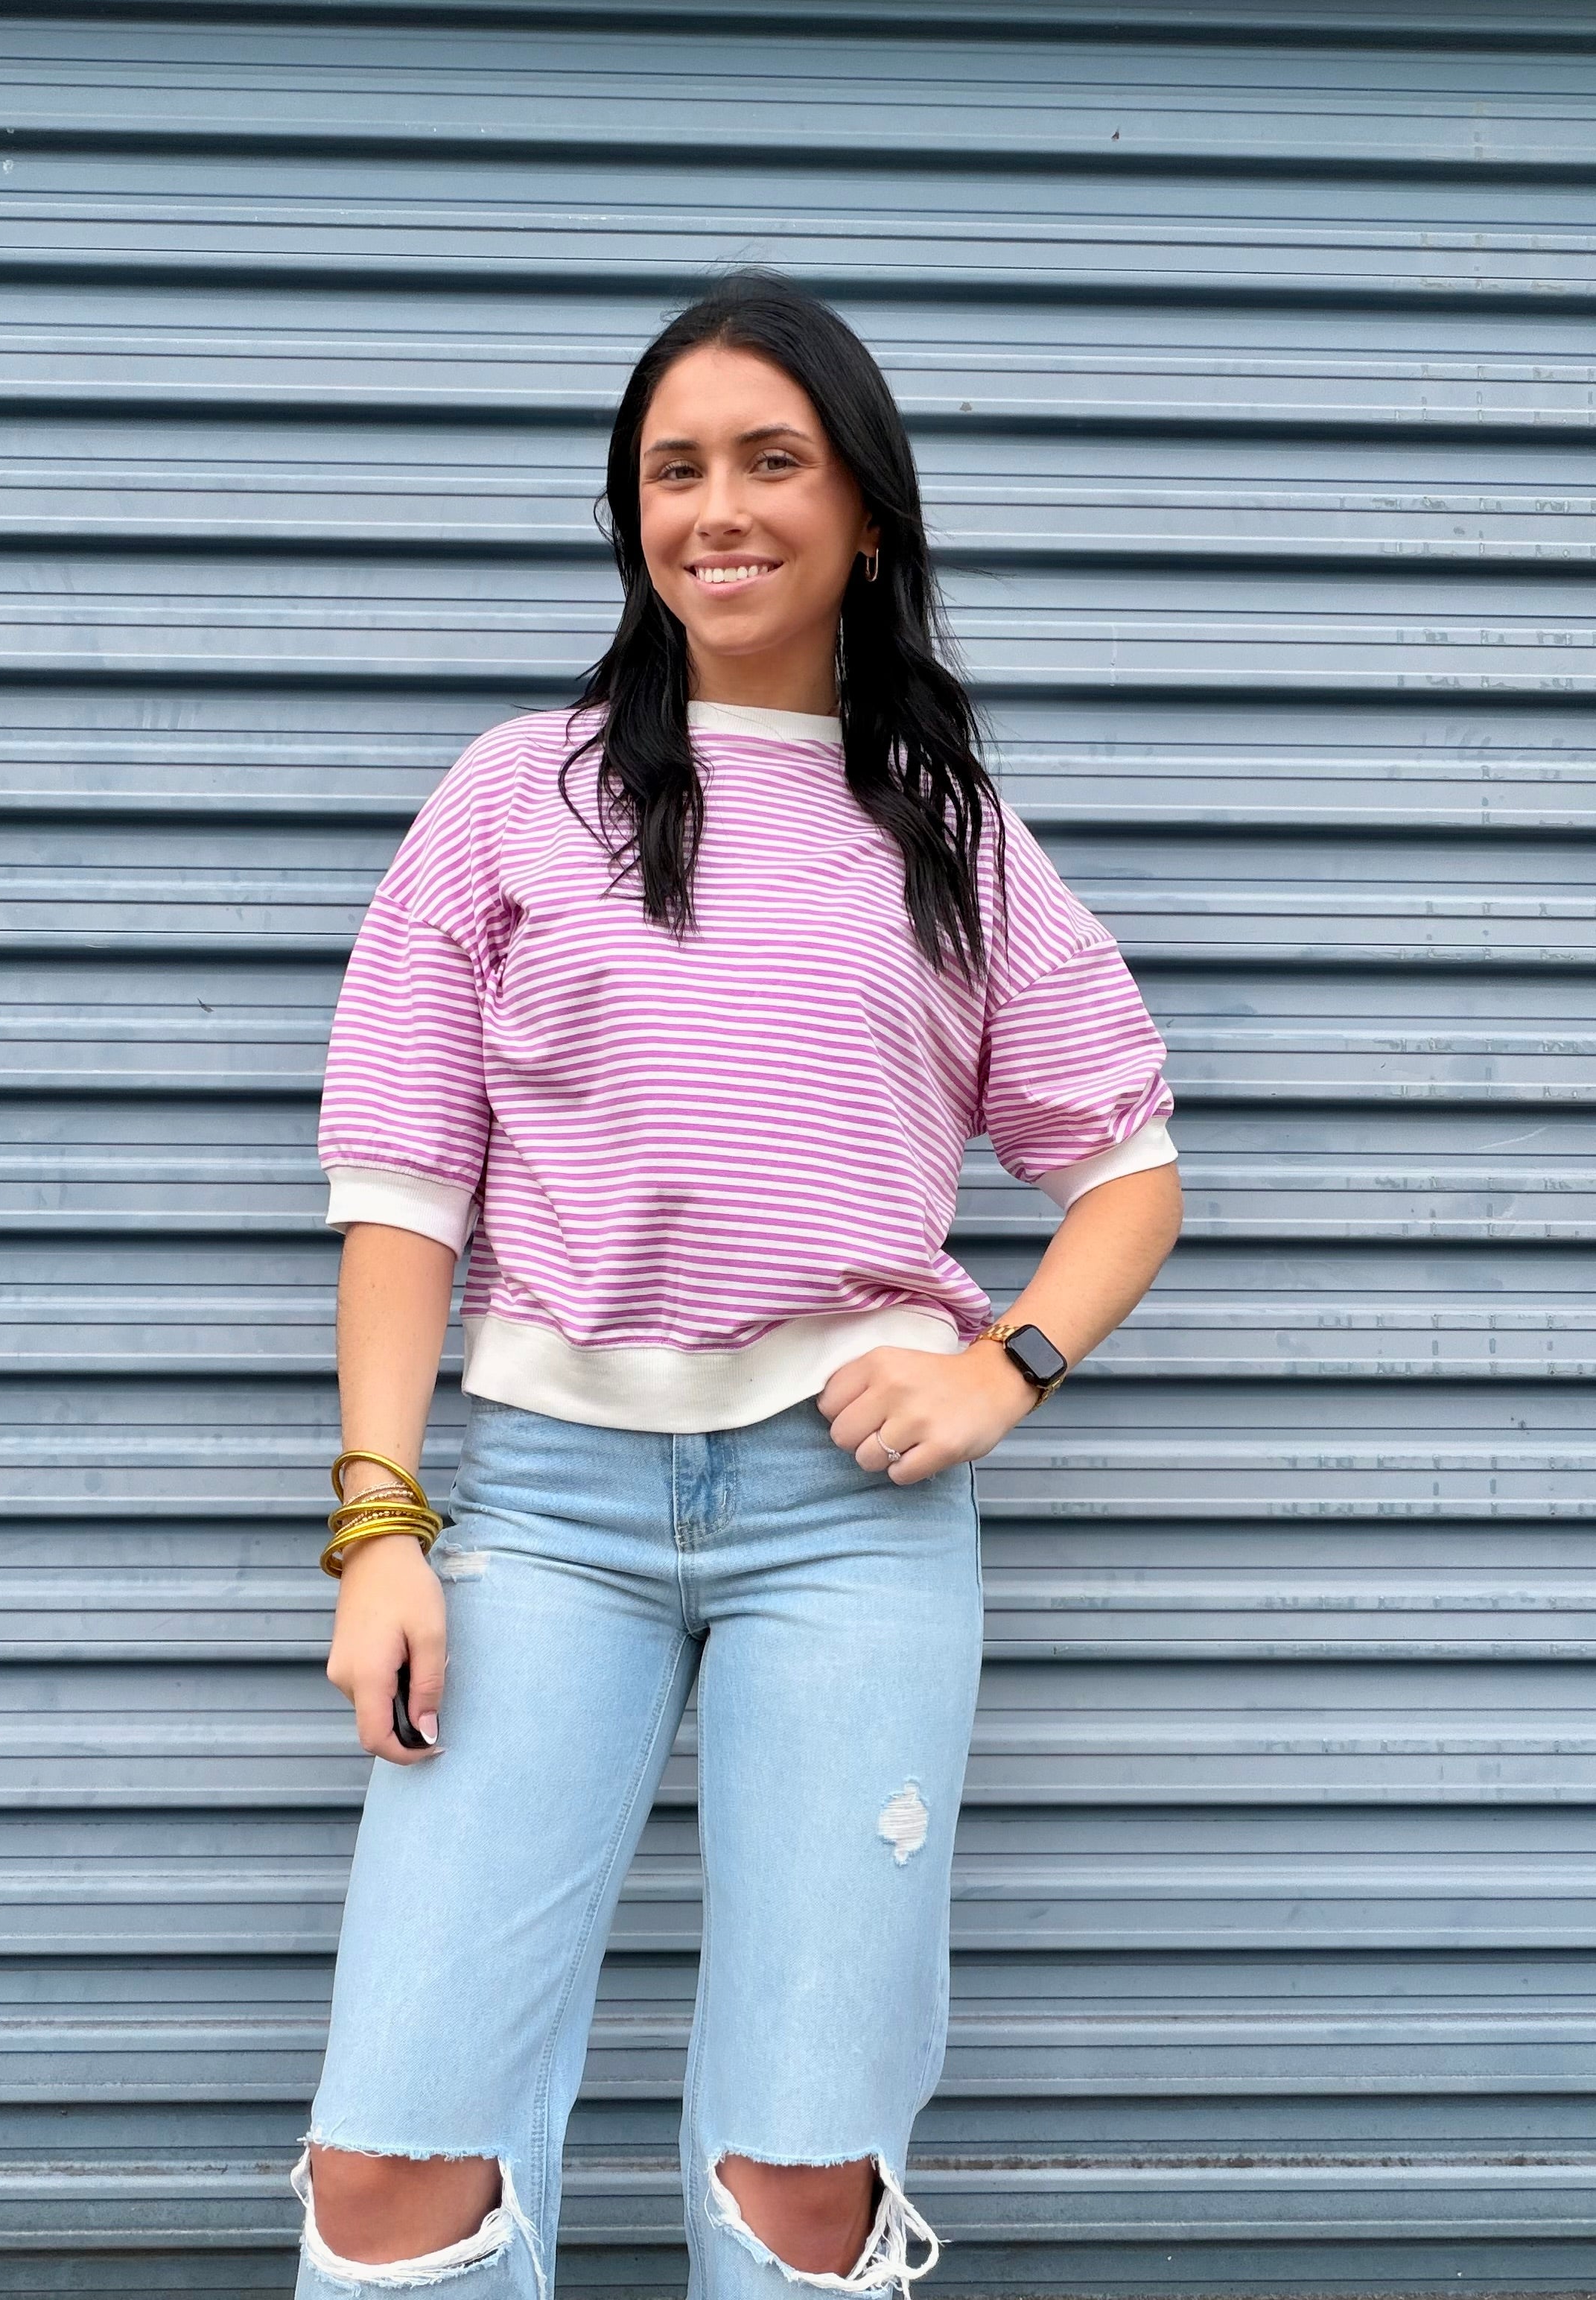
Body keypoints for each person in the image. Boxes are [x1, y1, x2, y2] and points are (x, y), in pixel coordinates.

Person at [292, 270, 1182, 2300]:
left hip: (847, 1525)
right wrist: (378, 1525)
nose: (717, 509)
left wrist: (1004, 1366)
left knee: (803, 2181)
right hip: (544, 1515)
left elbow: (1129, 1175)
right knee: (390, 2164)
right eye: (672, 468)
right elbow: (403, 1185)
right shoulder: (518, 796)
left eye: (772, 461)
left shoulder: (946, 830)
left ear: (863, 509)